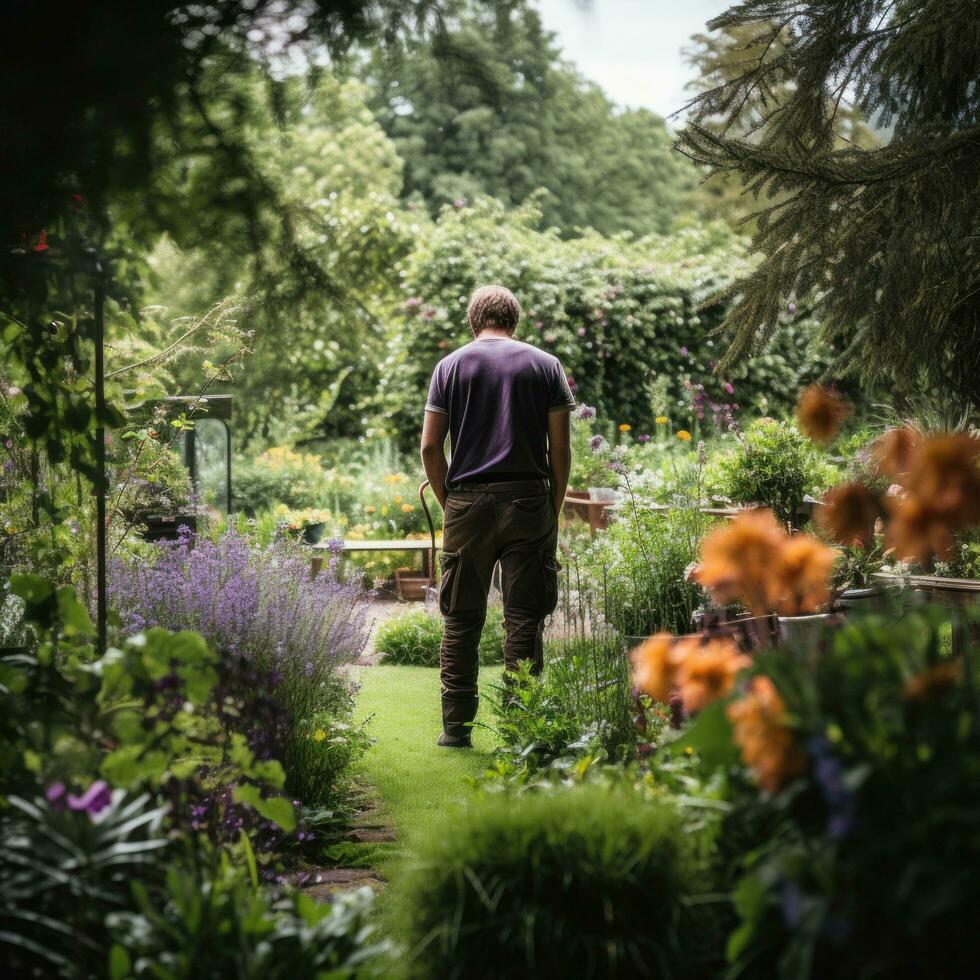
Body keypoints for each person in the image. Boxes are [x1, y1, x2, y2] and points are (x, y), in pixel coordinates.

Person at [420, 284, 574, 748]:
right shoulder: (546, 365)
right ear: (514, 319)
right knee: (524, 616)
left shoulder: (450, 367)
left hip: (467, 501)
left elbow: (430, 447)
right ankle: (521, 727)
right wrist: (553, 505)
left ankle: (456, 728)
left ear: (474, 320)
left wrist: (452, 505)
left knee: (462, 618)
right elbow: (560, 449)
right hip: (529, 499)